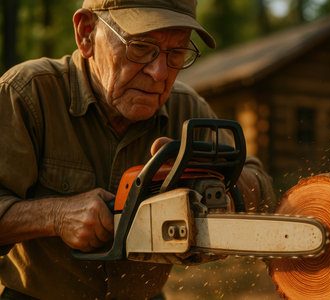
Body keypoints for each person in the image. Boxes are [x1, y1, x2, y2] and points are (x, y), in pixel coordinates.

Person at [0, 0, 275, 299]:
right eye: (141, 47)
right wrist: (54, 216)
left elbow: (260, 186)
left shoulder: (188, 108)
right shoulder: (27, 95)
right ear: (86, 33)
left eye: (177, 52)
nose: (159, 73)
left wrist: (215, 177)